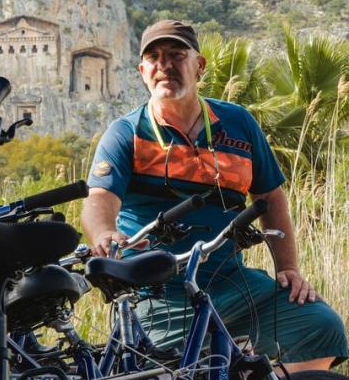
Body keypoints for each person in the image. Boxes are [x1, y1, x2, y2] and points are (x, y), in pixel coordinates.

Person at [81, 20, 348, 373]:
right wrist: (104, 234)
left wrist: (287, 268)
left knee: (321, 326)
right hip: (160, 293)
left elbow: (271, 196)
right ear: (142, 71)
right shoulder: (126, 133)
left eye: (177, 55)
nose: (165, 65)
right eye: (155, 57)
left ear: (199, 66)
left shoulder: (238, 123)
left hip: (231, 280)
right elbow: (99, 198)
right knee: (155, 368)